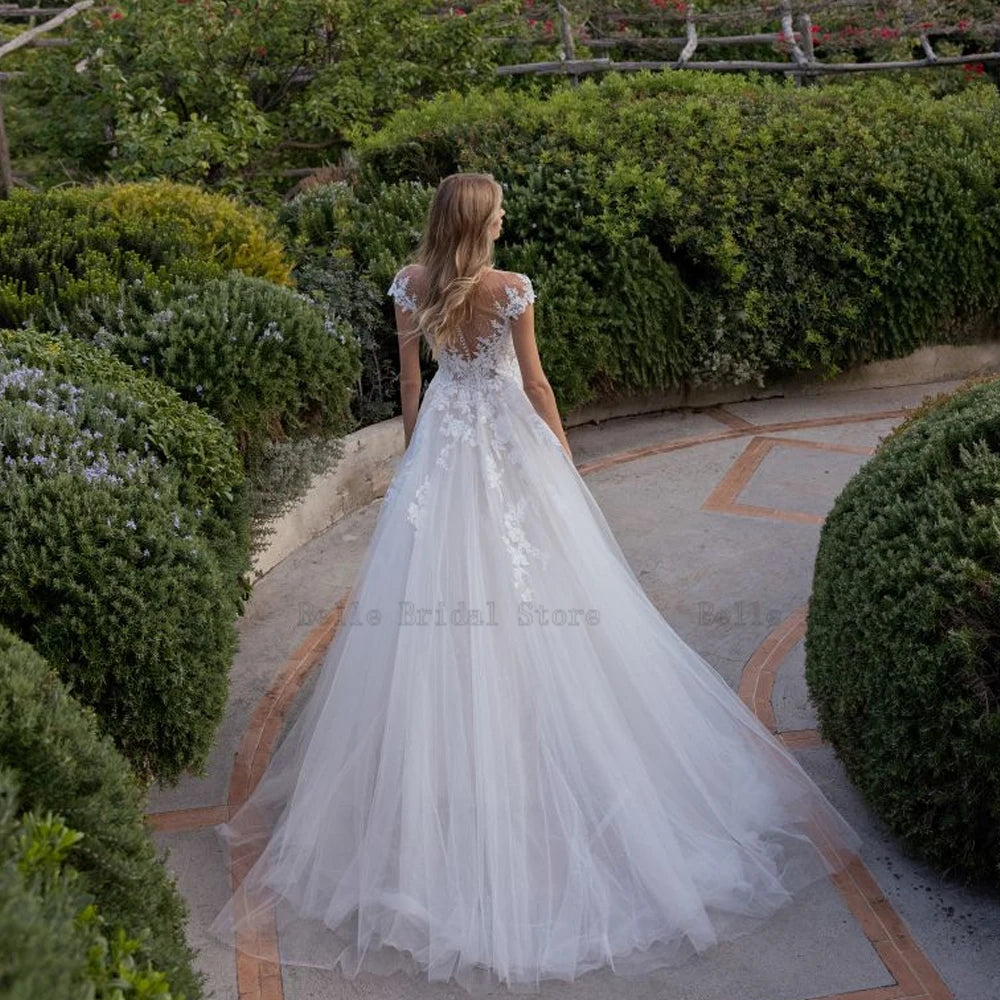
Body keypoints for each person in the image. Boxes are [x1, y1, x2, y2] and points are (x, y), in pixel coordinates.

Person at [207, 172, 863, 995]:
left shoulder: (412, 286)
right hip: (509, 442)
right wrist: (559, 458)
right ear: (483, 224)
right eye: (502, 207)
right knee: (552, 594)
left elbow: (413, 385)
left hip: (445, 443)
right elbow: (538, 382)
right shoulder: (511, 290)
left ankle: (459, 759)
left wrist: (418, 457)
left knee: (435, 606)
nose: (511, 215)